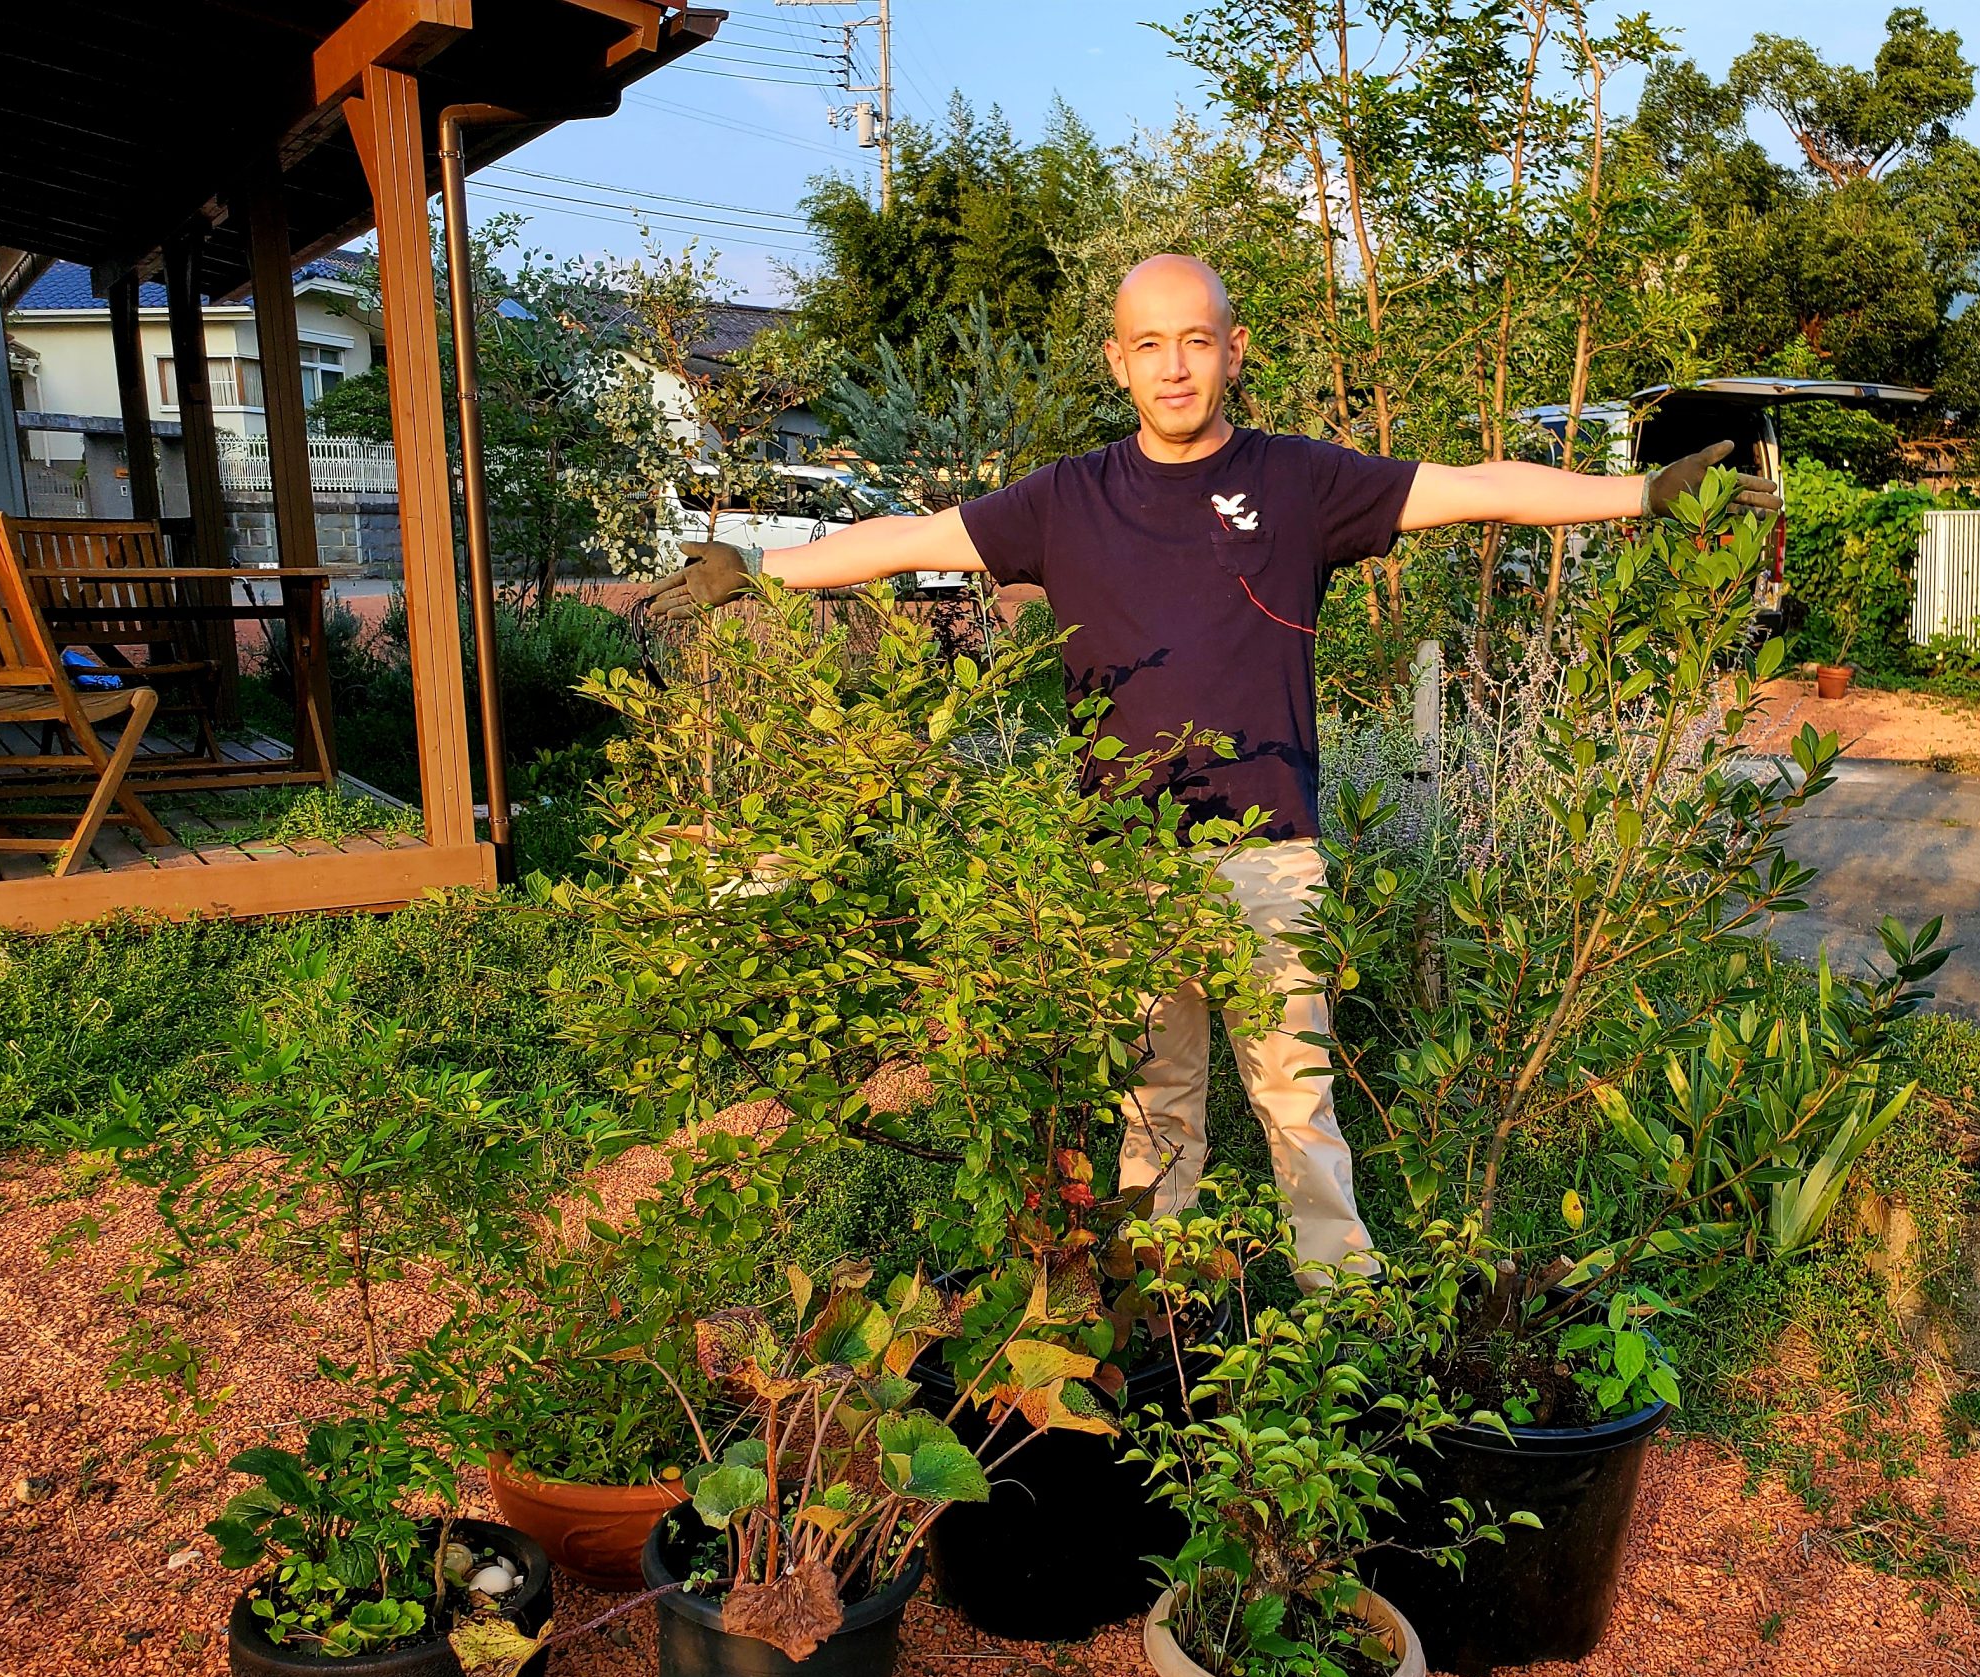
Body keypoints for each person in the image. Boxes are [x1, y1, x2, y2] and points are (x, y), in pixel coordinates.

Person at [647, 253, 1777, 1274]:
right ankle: (1160, 1298)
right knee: (1153, 1099)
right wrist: (758, 565)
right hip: (1120, 859)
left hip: (1267, 854)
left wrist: (1637, 496)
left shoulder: (1299, 482)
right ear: (1117, 361)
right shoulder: (1064, 499)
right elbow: (911, 537)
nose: (1174, 366)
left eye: (1196, 339)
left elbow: (1474, 485)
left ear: (1233, 351)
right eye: (1149, 344)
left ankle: (1338, 1295)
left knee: (1296, 1095)